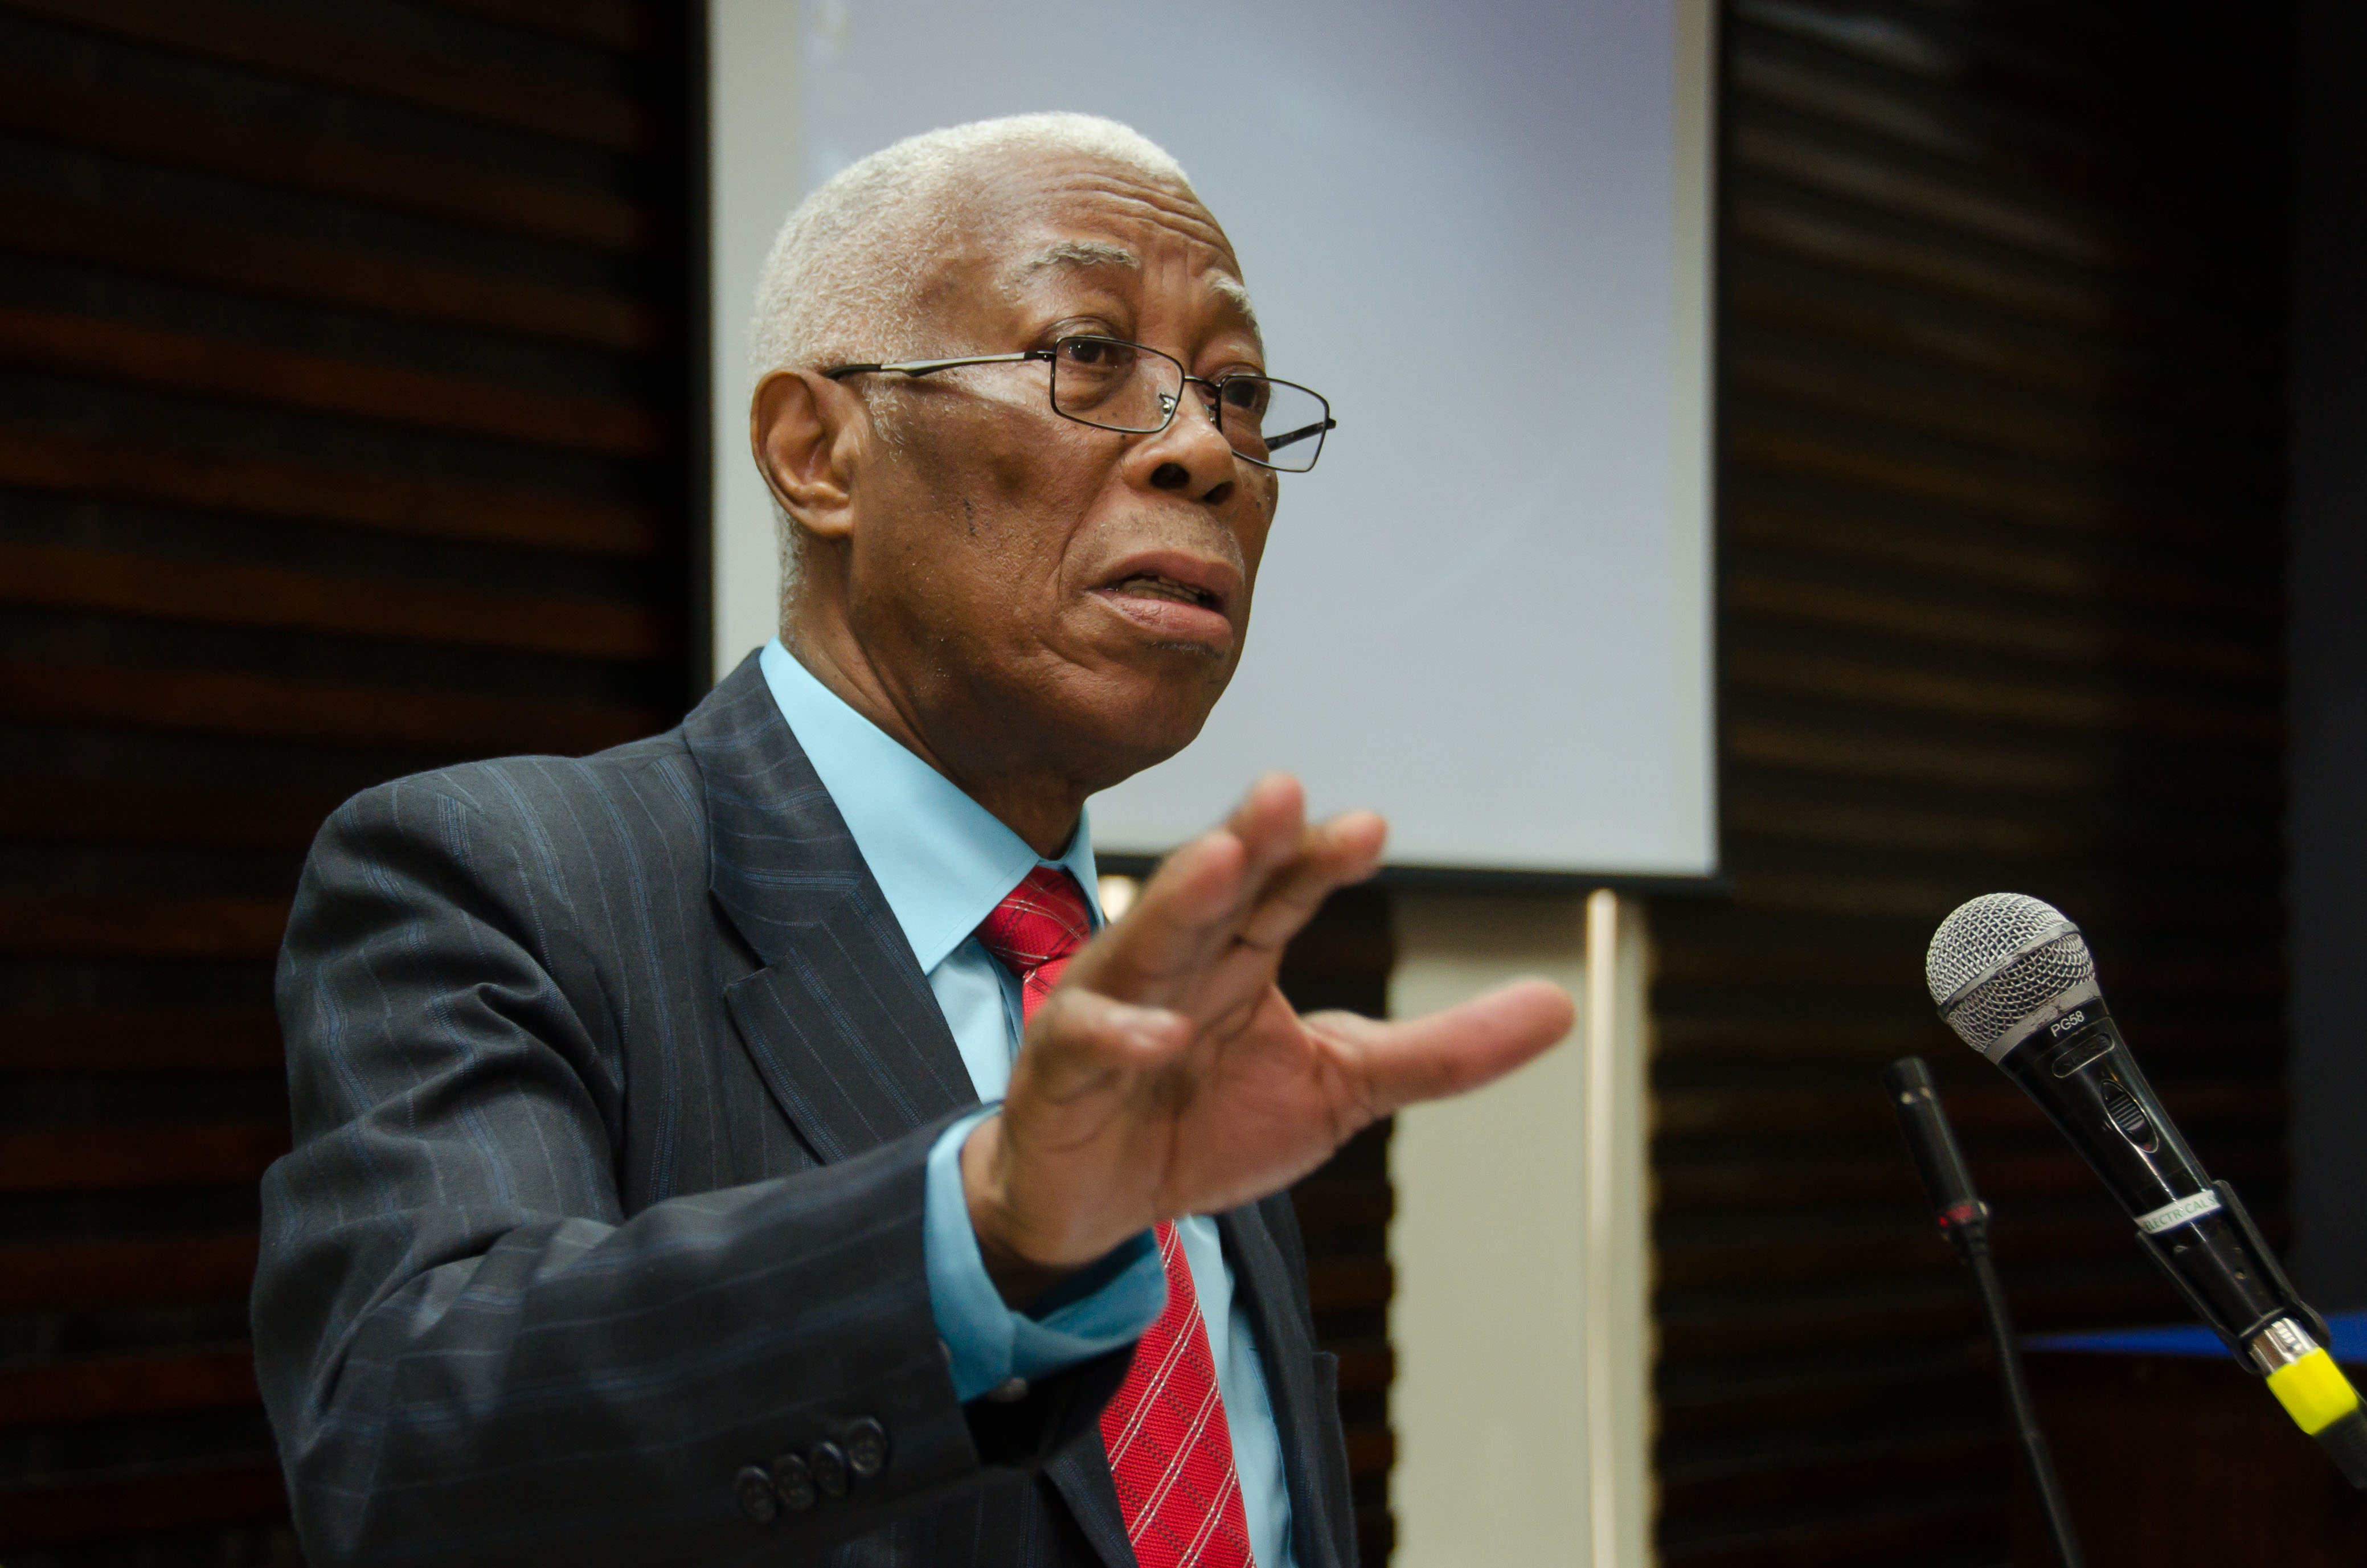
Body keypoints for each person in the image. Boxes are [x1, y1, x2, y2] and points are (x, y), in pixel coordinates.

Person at [254, 113, 1573, 1568]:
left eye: (1239, 391)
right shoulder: (505, 876)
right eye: (1086, 356)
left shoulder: (1158, 1003)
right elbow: (400, 1452)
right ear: (816, 452)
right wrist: (989, 1230)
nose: (1204, 449)